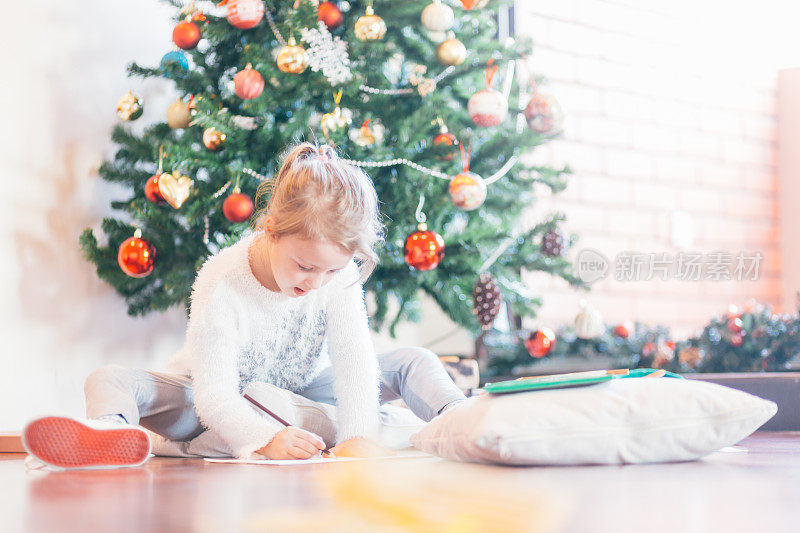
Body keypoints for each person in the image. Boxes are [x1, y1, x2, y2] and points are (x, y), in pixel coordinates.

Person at [22, 142, 467, 469]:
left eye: (331, 272)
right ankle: (110, 432)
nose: (316, 283)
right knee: (111, 377)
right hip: (210, 392)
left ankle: (464, 420)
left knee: (414, 360)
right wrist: (265, 438)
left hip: (301, 388)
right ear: (271, 229)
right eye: (304, 267)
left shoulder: (337, 273)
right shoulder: (223, 279)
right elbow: (215, 395)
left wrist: (356, 437)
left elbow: (354, 360)